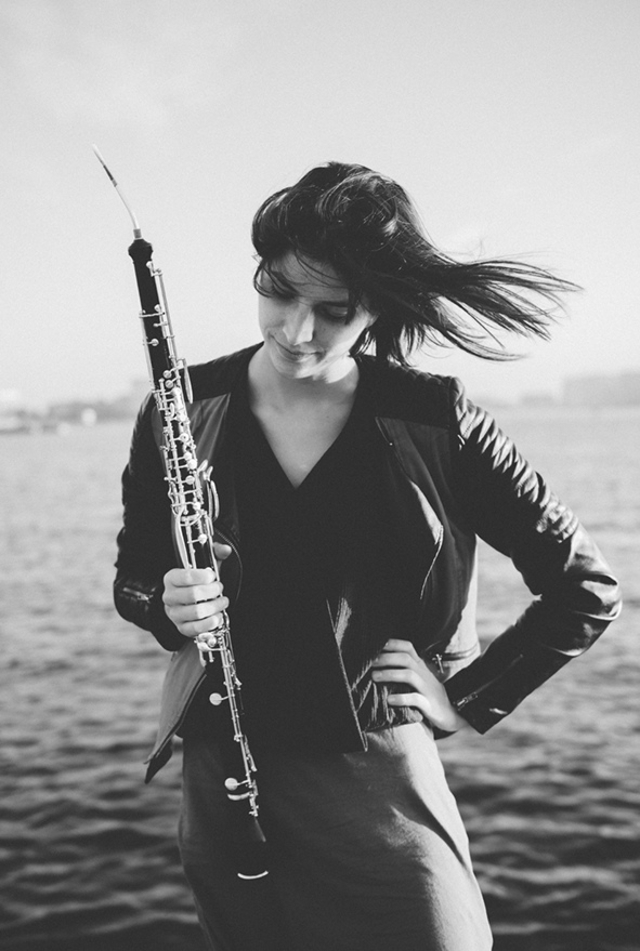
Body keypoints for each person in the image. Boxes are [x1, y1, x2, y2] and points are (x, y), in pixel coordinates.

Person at [114, 162, 621, 951]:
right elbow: (135, 575)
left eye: (334, 310)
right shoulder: (178, 405)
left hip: (375, 781)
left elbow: (585, 588)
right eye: (280, 291)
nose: (296, 331)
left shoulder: (437, 417)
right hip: (225, 782)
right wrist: (164, 604)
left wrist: (467, 696)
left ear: (376, 308)